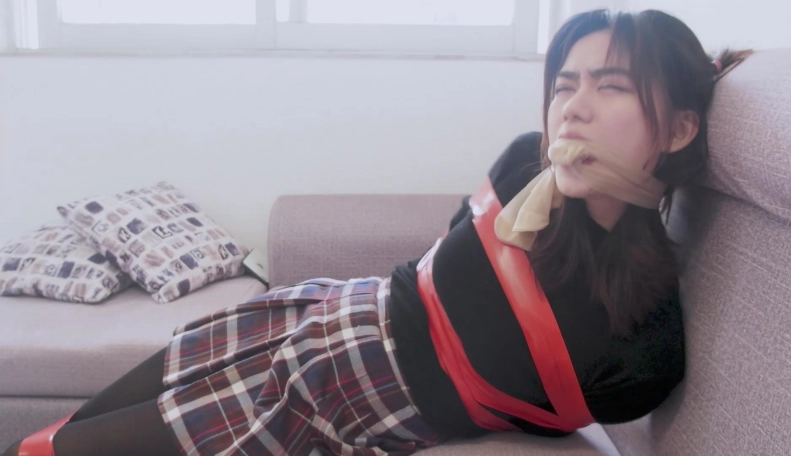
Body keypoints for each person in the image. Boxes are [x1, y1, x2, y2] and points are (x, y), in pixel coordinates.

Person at [5, 8, 752, 456]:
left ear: (680, 128)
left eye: (611, 86)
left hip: (346, 397)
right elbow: (445, 265)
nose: (573, 108)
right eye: (565, 84)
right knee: (81, 421)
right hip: (318, 310)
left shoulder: (644, 345)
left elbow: (544, 412)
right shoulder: (524, 164)